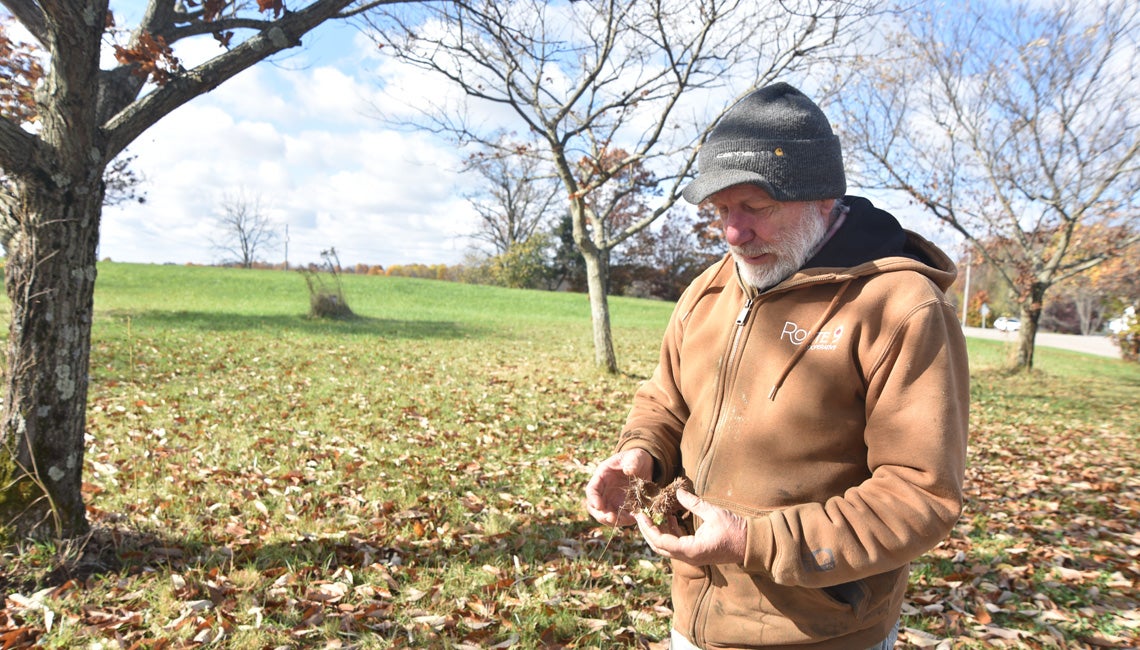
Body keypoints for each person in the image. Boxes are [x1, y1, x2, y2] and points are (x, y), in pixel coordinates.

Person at [585, 82, 969, 649]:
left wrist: (753, 542)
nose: (734, 234)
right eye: (721, 211)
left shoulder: (901, 307)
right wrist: (642, 454)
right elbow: (665, 402)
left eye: (757, 208)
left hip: (820, 632)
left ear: (822, 197)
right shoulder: (709, 291)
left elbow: (919, 494)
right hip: (695, 614)